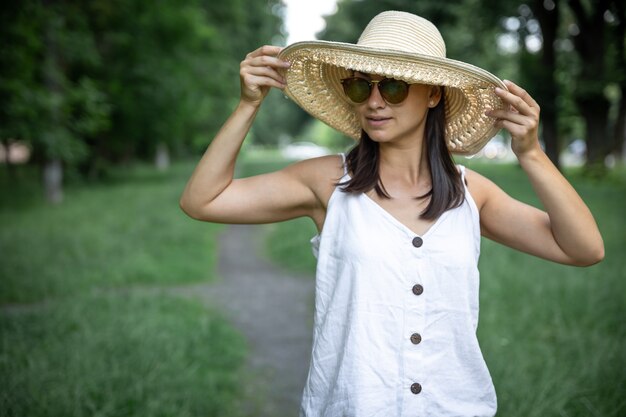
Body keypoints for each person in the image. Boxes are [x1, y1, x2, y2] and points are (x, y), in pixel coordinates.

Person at [180, 10, 604, 417]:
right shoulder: (328, 182)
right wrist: (248, 106)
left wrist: (530, 153)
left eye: (394, 87)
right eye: (361, 87)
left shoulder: (472, 194)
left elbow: (584, 249)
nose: (375, 102)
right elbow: (204, 201)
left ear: (434, 93)